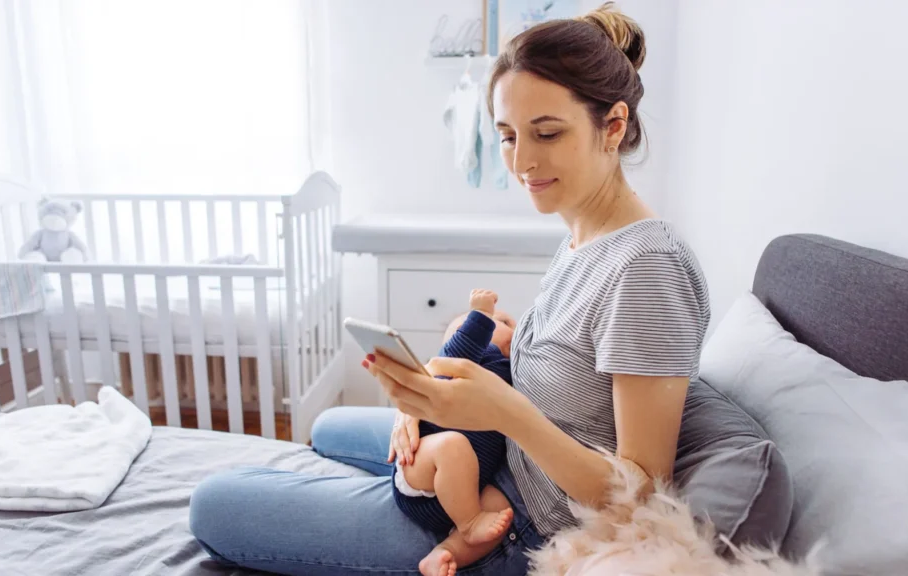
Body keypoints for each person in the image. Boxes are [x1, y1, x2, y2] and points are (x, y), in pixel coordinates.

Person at [188, 3, 711, 575]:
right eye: (508, 136)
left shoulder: (648, 268)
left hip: (519, 522)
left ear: (611, 127)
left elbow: (639, 499)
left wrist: (507, 412)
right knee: (328, 426)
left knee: (212, 504)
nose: (523, 162)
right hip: (495, 454)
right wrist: (483, 362)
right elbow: (581, 365)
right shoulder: (585, 235)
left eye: (547, 133)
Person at [394, 289, 515, 576]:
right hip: (423, 476)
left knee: (503, 508)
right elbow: (463, 347)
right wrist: (482, 316)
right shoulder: (469, 359)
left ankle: (443, 554)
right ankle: (470, 524)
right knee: (453, 445)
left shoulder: (512, 370)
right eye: (503, 322)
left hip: (467, 492)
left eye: (511, 323)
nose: (512, 327)